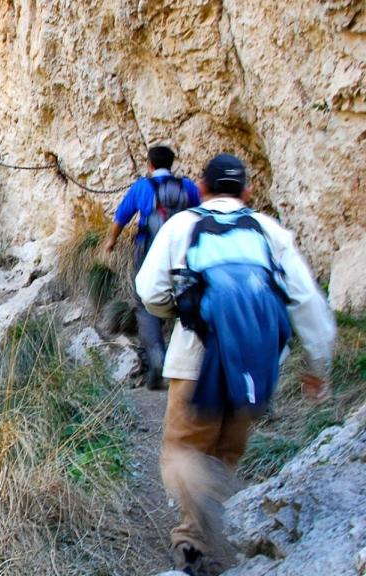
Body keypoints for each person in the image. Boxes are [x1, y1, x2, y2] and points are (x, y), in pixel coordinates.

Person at [136, 153, 336, 575]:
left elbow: (149, 291)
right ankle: (198, 539)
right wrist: (317, 369)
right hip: (255, 366)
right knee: (223, 455)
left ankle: (197, 526)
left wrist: (189, 311)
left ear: (202, 189)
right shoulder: (269, 231)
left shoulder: (182, 226)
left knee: (183, 455)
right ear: (247, 191)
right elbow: (309, 304)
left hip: (195, 361)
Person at [105, 145, 200, 390]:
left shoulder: (142, 187)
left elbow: (121, 218)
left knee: (145, 304)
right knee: (187, 303)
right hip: (183, 254)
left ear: (149, 165)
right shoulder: (187, 187)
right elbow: (201, 214)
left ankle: (158, 365)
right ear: (172, 164)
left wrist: (110, 242)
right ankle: (190, 368)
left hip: (147, 251)